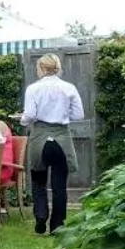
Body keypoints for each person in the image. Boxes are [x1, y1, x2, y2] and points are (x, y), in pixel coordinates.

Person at [21, 52, 85, 234]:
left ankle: (41, 215)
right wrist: (62, 116)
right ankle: (57, 225)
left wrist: (22, 120)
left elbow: (30, 115)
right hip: (62, 140)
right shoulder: (69, 87)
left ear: (41, 68)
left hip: (39, 138)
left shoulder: (33, 89)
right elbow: (78, 115)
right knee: (59, 185)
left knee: (38, 180)